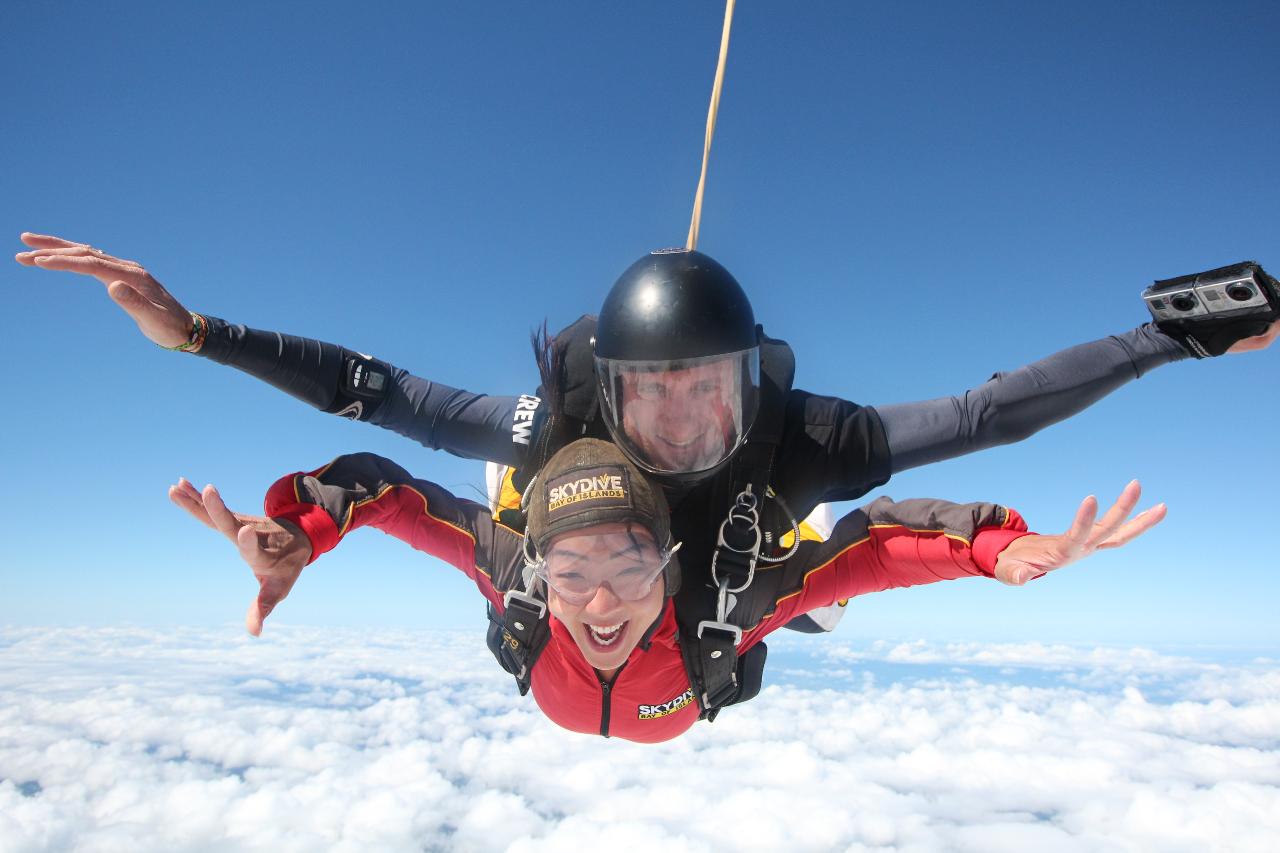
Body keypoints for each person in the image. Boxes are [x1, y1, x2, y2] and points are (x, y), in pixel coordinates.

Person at [168, 438, 1165, 743]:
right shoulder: (513, 576)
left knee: (805, 581)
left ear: (668, 567)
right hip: (642, 667)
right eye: (570, 573)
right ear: (538, 568)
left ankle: (780, 570)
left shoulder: (712, 609)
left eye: (630, 569)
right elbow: (385, 493)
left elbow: (874, 543)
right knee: (795, 584)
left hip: (725, 616)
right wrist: (298, 535)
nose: (599, 605)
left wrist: (997, 548)